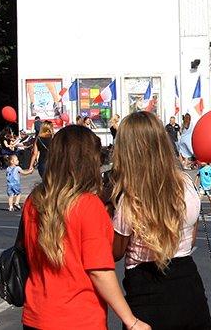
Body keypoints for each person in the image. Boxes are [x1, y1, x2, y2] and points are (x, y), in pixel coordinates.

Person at [22, 125, 150, 330]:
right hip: (78, 318)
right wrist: (130, 320)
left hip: (36, 315)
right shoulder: (88, 206)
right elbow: (99, 271)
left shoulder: (34, 201)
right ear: (88, 161)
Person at [109, 111, 211, 330]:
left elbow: (115, 252)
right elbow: (190, 239)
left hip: (147, 292)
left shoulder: (131, 199)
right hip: (188, 285)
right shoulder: (185, 184)